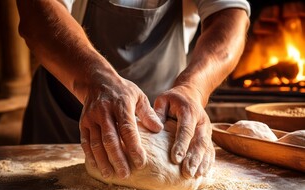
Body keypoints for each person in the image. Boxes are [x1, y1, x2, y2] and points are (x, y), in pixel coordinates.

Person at [16, 0, 250, 180]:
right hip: (63, 112)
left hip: (163, 122)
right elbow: (37, 12)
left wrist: (194, 88)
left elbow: (230, 14)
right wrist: (97, 79)